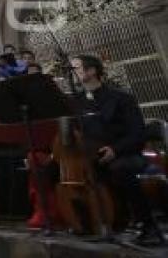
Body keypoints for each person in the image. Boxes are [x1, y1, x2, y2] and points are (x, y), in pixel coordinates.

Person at [70, 55, 164, 246]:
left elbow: (138, 133)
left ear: (92, 71)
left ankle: (148, 226)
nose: (72, 72)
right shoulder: (75, 102)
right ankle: (86, 221)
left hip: (125, 153)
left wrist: (115, 149)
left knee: (120, 168)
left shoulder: (122, 98)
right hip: (91, 156)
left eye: (76, 68)